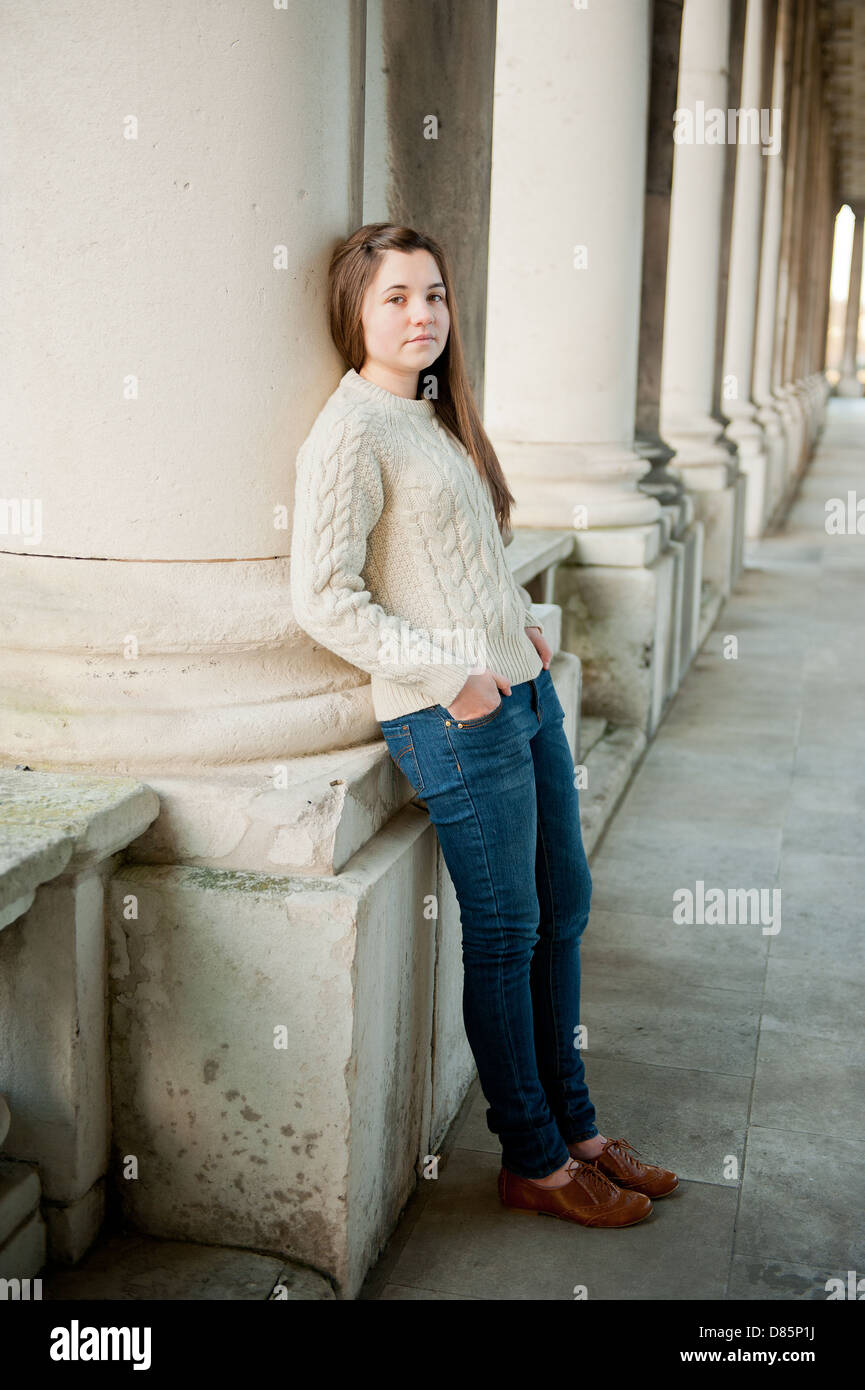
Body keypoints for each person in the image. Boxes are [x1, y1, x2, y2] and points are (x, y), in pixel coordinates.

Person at [290, 223, 677, 1229]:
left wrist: (519, 634)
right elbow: (323, 598)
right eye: (395, 299)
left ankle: (579, 1127)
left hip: (520, 692)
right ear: (354, 315)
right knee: (506, 936)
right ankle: (534, 1158)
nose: (421, 315)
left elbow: (455, 560)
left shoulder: (430, 415)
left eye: (434, 295)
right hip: (451, 718)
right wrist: (450, 670)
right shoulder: (349, 433)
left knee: (566, 907)